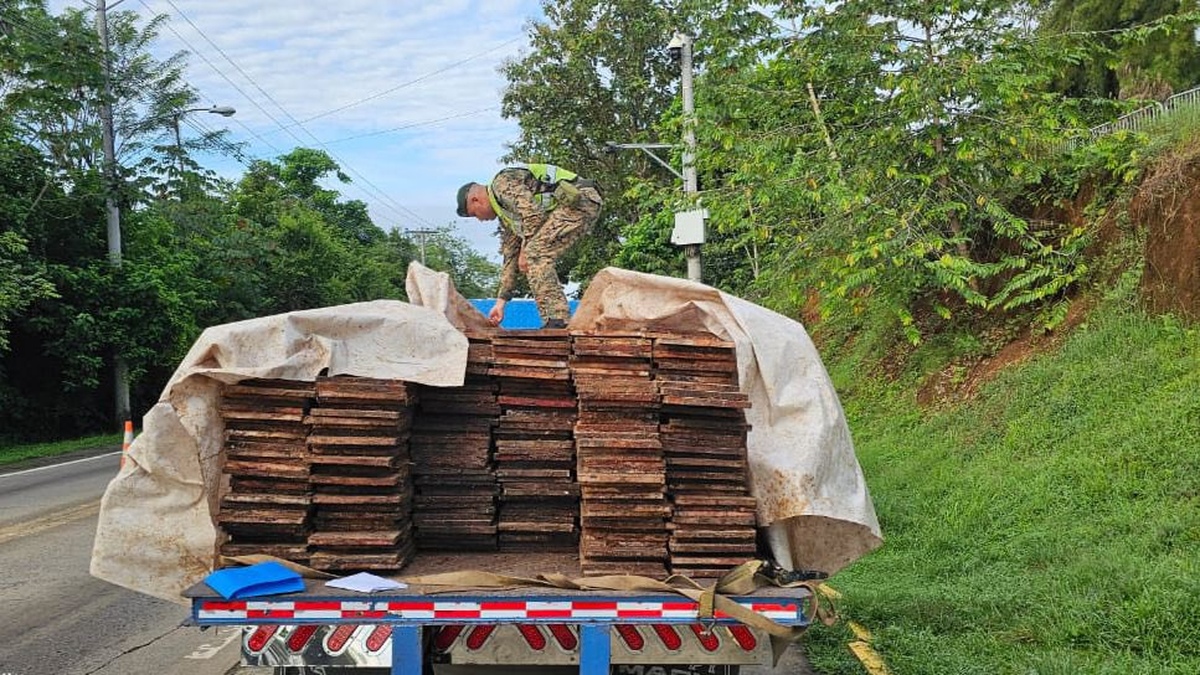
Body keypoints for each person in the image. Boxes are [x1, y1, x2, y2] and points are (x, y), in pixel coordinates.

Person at [457, 164, 602, 328]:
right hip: (570, 207)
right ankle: (552, 320)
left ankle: (558, 319)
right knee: (533, 254)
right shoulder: (507, 215)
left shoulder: (501, 184)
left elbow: (534, 214)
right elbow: (510, 256)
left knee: (535, 253)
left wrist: (525, 251)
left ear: (476, 200)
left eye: (475, 214)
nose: (480, 220)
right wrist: (501, 302)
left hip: (580, 200)